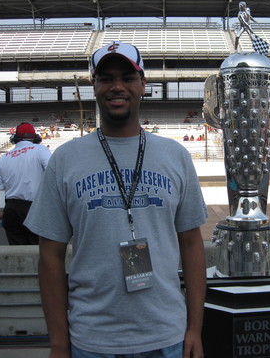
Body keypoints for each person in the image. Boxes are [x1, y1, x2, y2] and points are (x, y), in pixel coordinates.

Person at [24, 41, 208, 358]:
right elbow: (49, 257)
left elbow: (192, 244)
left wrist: (194, 329)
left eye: (127, 77)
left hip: (167, 337)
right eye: (106, 78)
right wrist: (58, 343)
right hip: (91, 340)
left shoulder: (175, 156)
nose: (117, 87)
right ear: (93, 86)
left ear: (143, 85)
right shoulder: (66, 159)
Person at [0, 122, 51, 245]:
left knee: (17, 252)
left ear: (15, 138)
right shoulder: (41, 150)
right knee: (39, 251)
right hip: (35, 207)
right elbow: (53, 173)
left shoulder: (4, 157)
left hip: (11, 209)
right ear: (35, 137)